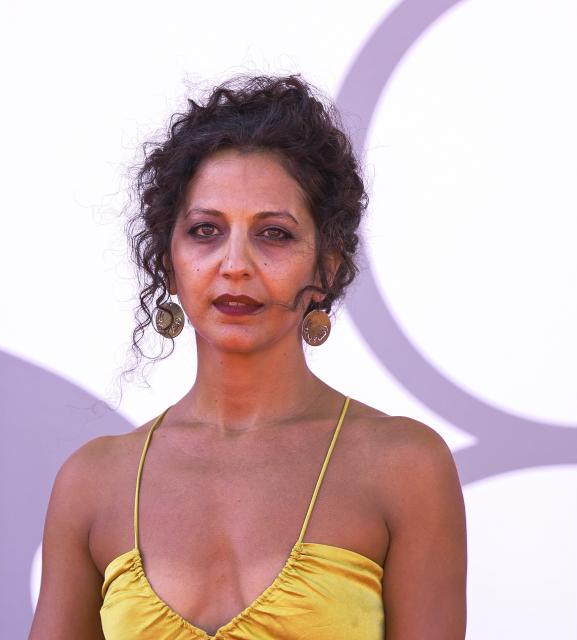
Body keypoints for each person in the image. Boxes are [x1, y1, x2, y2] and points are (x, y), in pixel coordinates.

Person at [28, 74, 467, 639]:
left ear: (327, 266)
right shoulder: (92, 482)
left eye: (275, 234)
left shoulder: (404, 467)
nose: (235, 264)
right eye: (206, 230)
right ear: (169, 260)